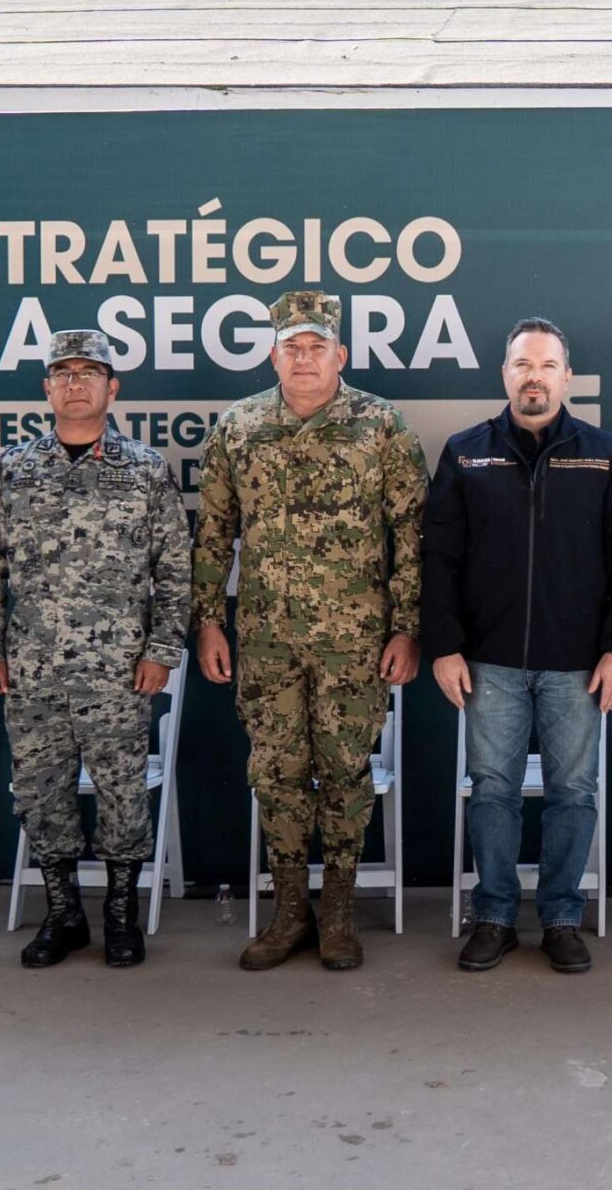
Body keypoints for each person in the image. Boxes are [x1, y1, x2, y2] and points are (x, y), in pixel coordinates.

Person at [194, 290, 425, 972]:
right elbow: (213, 536)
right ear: (272, 354)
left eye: (315, 346)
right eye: (290, 347)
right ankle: (290, 911)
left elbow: (410, 536)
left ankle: (339, 914)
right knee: (277, 774)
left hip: (354, 642)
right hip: (267, 641)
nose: (303, 358)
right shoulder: (238, 428)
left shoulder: (381, 427)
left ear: (340, 354)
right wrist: (209, 621)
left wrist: (407, 628)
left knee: (347, 774)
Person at [423, 318, 612, 974]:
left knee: (573, 792)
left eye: (547, 366)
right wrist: (444, 646)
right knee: (491, 790)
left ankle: (560, 917)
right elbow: (438, 556)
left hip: (578, 664)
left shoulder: (603, 452)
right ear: (505, 375)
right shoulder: (467, 452)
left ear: (566, 377)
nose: (534, 376)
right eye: (523, 365)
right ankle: (493, 915)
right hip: (487, 661)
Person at [0, 329, 192, 969]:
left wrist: (161, 650)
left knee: (122, 791)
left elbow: (175, 570)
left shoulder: (144, 470)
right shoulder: (14, 469)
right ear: (46, 387)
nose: (74, 383)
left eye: (88, 373)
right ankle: (63, 914)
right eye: (62, 373)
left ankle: (122, 914)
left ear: (111, 388)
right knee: (40, 792)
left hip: (119, 670)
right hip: (32, 670)